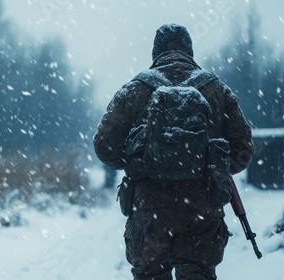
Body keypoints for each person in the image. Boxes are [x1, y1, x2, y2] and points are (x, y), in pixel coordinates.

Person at [93, 24, 254, 280]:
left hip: (149, 212)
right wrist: (212, 166)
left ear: (155, 53)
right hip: (201, 209)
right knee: (198, 274)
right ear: (189, 51)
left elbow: (104, 147)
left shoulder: (134, 90)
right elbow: (243, 149)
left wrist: (140, 161)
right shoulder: (217, 91)